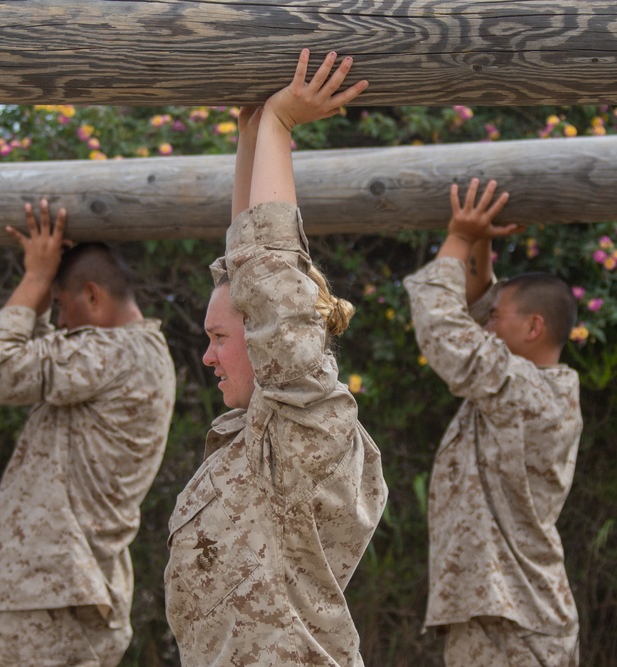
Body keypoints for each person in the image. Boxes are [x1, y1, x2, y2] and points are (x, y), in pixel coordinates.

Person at [164, 50, 387, 666]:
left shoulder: (307, 425)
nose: (207, 356)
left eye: (218, 338)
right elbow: (247, 272)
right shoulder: (254, 438)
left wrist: (280, 129)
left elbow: (267, 281)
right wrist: (252, 135)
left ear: (266, 336)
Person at [0, 201, 177, 667]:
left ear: (93, 296)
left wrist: (36, 280)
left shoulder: (115, 352)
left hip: (54, 595)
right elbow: (42, 355)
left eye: (64, 307)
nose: (60, 322)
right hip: (65, 590)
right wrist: (45, 296)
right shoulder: (129, 354)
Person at [404, 178, 581, 666]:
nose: (485, 324)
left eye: (496, 319)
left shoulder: (526, 393)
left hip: (514, 627)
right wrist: (480, 238)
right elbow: (477, 307)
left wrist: (458, 238)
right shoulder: (533, 385)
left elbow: (446, 331)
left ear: (533, 328)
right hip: (508, 618)